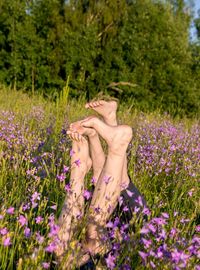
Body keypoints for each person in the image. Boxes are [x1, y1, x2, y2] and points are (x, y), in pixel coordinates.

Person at [55, 100, 147, 269]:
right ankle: (113, 141)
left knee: (60, 246)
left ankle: (78, 172)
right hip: (130, 227)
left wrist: (92, 135)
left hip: (107, 226)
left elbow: (99, 175)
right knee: (94, 233)